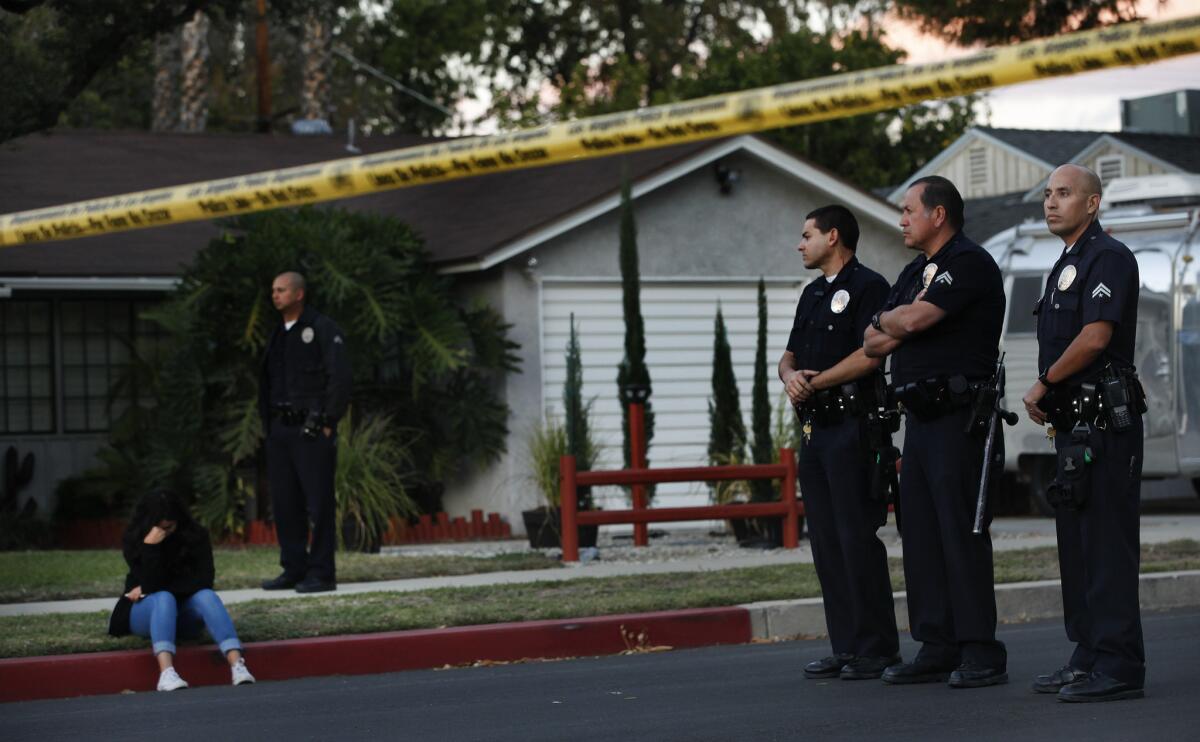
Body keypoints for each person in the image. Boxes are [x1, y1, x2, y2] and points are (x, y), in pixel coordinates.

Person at [864, 175, 1008, 688]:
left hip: (960, 417)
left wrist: (893, 321)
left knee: (960, 532)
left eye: (908, 210)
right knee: (920, 533)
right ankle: (937, 643)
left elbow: (918, 321)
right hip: (920, 421)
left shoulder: (967, 262)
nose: (901, 219)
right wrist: (890, 319)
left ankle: (980, 649)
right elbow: (872, 340)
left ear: (938, 214)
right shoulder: (914, 270)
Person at [1021, 164, 1146, 703]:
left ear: (1092, 203)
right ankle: (1088, 653)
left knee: (1107, 545)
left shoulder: (1109, 258)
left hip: (1105, 424)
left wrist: (1042, 383)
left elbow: (1095, 338)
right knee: (1076, 547)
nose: (1051, 203)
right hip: (1072, 426)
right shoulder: (1064, 264)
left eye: (1064, 194)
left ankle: (1119, 664)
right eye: (1048, 194)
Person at [778, 204, 900, 680]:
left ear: (833, 237)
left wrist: (819, 380)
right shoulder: (811, 294)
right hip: (816, 430)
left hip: (853, 425)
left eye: (806, 235)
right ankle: (846, 645)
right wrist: (791, 378)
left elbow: (871, 356)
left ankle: (877, 647)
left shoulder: (870, 287)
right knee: (826, 542)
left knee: (856, 537)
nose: (799, 243)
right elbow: (788, 356)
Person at [259, 271, 351, 594]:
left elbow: (339, 378)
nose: (275, 295)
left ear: (299, 294)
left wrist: (328, 421)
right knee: (286, 503)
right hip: (280, 430)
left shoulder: (322, 329)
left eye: (281, 290)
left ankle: (322, 572)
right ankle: (294, 568)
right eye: (273, 290)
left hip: (312, 429)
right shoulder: (278, 335)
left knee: (318, 503)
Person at [108, 490, 255, 691]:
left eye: (170, 526)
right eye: (160, 527)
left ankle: (237, 665)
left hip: (183, 614)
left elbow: (204, 580)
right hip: (145, 611)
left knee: (206, 596)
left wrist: (149, 587)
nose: (165, 531)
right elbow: (150, 581)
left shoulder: (196, 536)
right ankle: (166, 673)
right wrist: (150, 547)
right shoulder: (136, 539)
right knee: (163, 598)